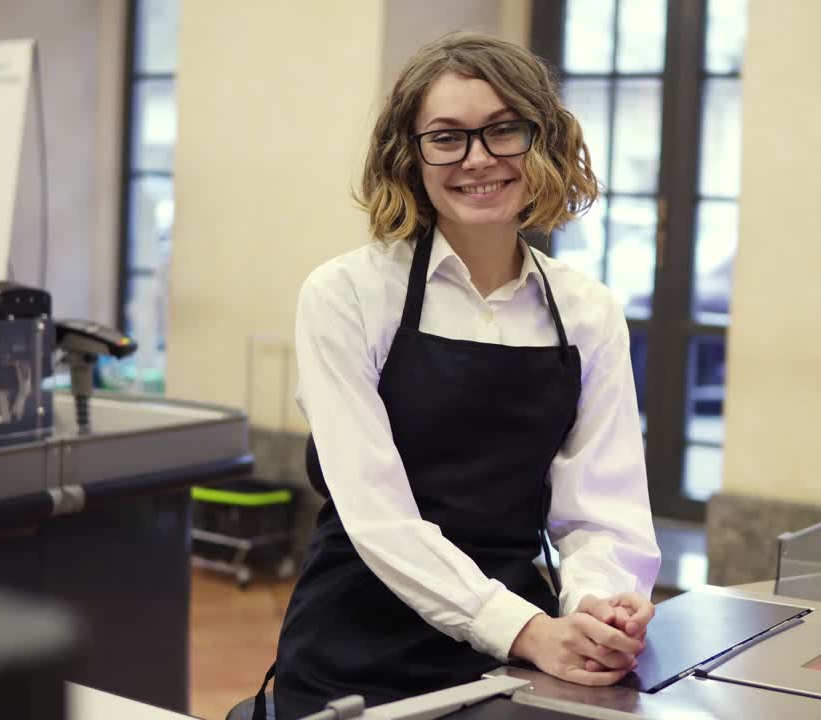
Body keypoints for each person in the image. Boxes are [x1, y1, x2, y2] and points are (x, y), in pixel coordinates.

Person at [254, 32, 662, 720]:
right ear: (408, 156)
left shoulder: (588, 314)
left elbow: (601, 512)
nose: (478, 159)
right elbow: (379, 520)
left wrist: (598, 606)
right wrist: (529, 630)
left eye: (504, 131)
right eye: (447, 137)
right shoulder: (347, 295)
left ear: (544, 145)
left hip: (512, 661)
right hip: (357, 651)